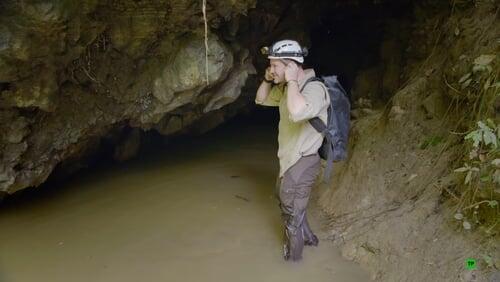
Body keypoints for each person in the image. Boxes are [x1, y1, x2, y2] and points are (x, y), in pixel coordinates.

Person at [255, 39, 330, 261]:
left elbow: (298, 112)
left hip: (303, 161)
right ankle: (309, 238)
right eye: (270, 65)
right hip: (288, 161)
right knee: (286, 200)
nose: (271, 69)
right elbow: (260, 99)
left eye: (275, 65)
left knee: (291, 216)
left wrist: (293, 81)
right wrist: (268, 79)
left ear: (291, 66)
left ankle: (294, 263)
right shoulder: (287, 89)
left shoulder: (315, 88)